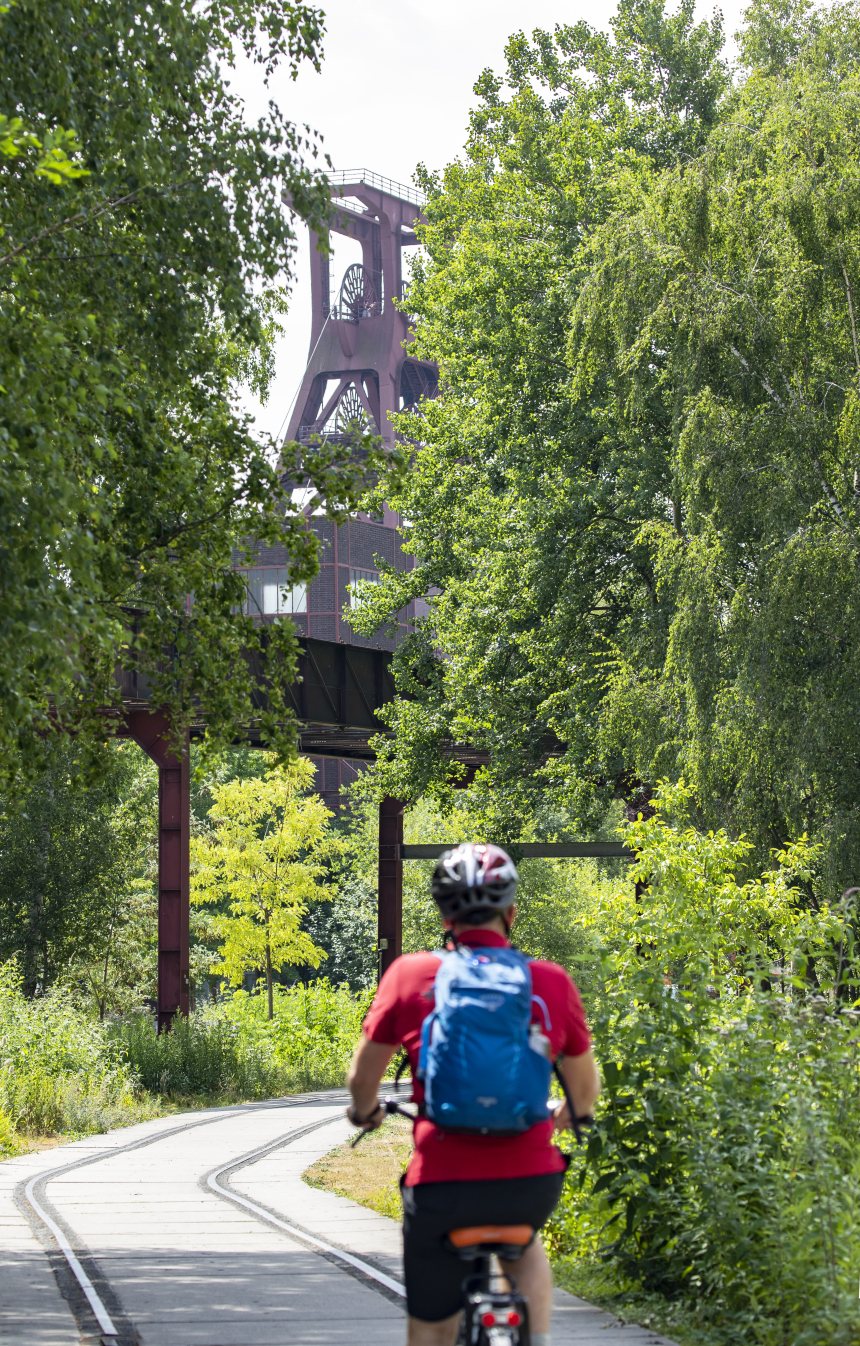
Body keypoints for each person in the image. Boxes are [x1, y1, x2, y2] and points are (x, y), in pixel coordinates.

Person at [347, 842, 601, 1346]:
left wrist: (366, 1111)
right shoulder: (548, 981)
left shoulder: (412, 975)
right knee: (524, 1244)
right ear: (510, 911)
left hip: (442, 1181)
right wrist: (569, 1114)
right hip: (527, 1180)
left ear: (444, 914)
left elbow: (362, 1078)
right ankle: (537, 1337)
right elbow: (585, 1092)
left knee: (431, 1326)